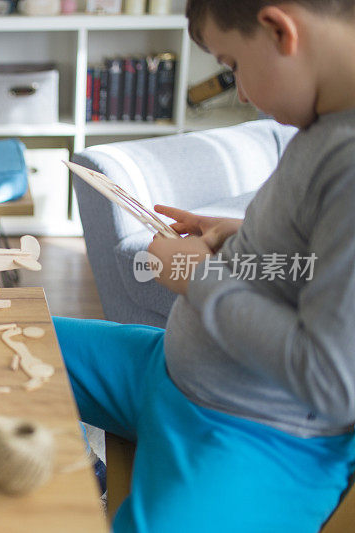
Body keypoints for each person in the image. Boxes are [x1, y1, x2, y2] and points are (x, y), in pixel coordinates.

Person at [55, 1, 355, 530]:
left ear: (279, 29)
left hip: (255, 434)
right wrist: (238, 234)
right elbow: (317, 266)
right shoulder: (324, 120)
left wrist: (199, 278)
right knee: (12, 339)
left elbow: (332, 379)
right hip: (166, 367)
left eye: (232, 64)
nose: (238, 92)